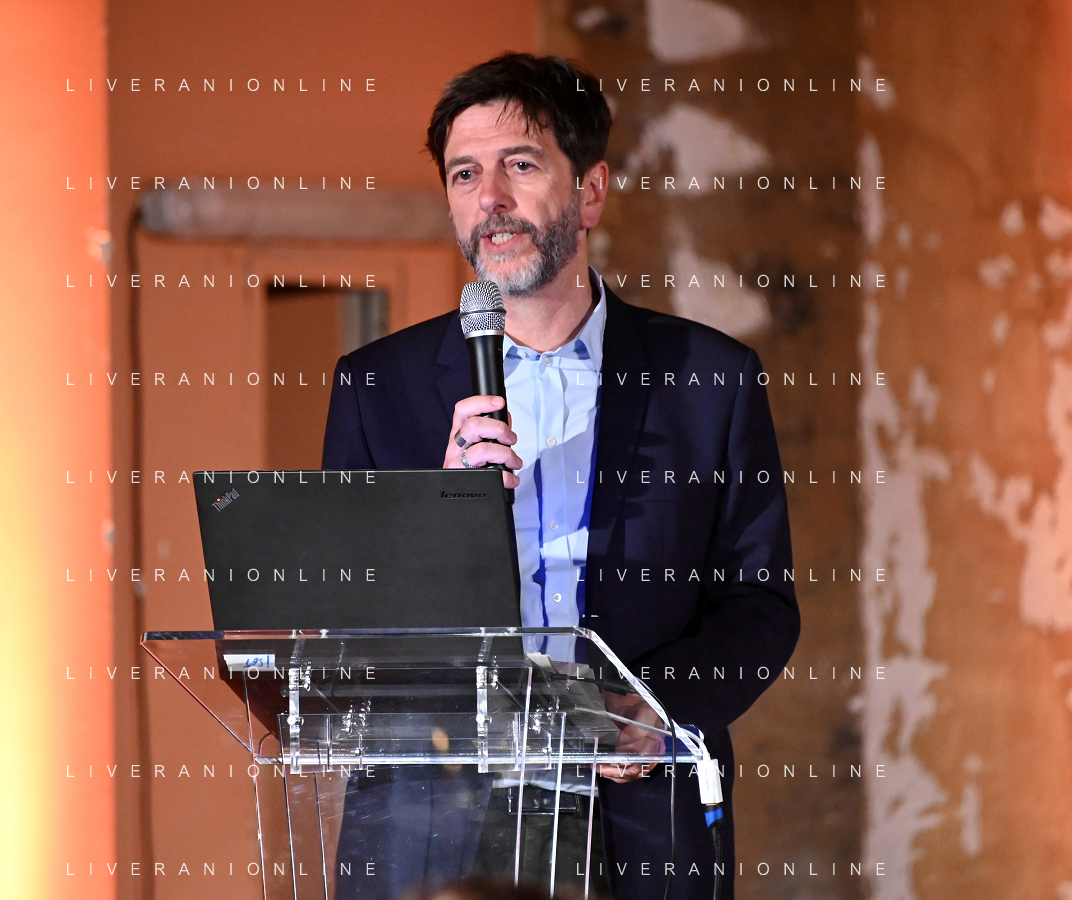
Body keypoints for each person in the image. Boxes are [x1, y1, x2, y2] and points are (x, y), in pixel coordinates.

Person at [322, 53, 799, 900]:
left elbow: (758, 607)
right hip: (431, 822)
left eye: (520, 165)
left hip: (637, 814)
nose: (489, 199)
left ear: (590, 192)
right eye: (464, 174)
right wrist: (435, 511)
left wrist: (657, 708)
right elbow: (344, 623)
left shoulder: (708, 380)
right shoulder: (378, 386)